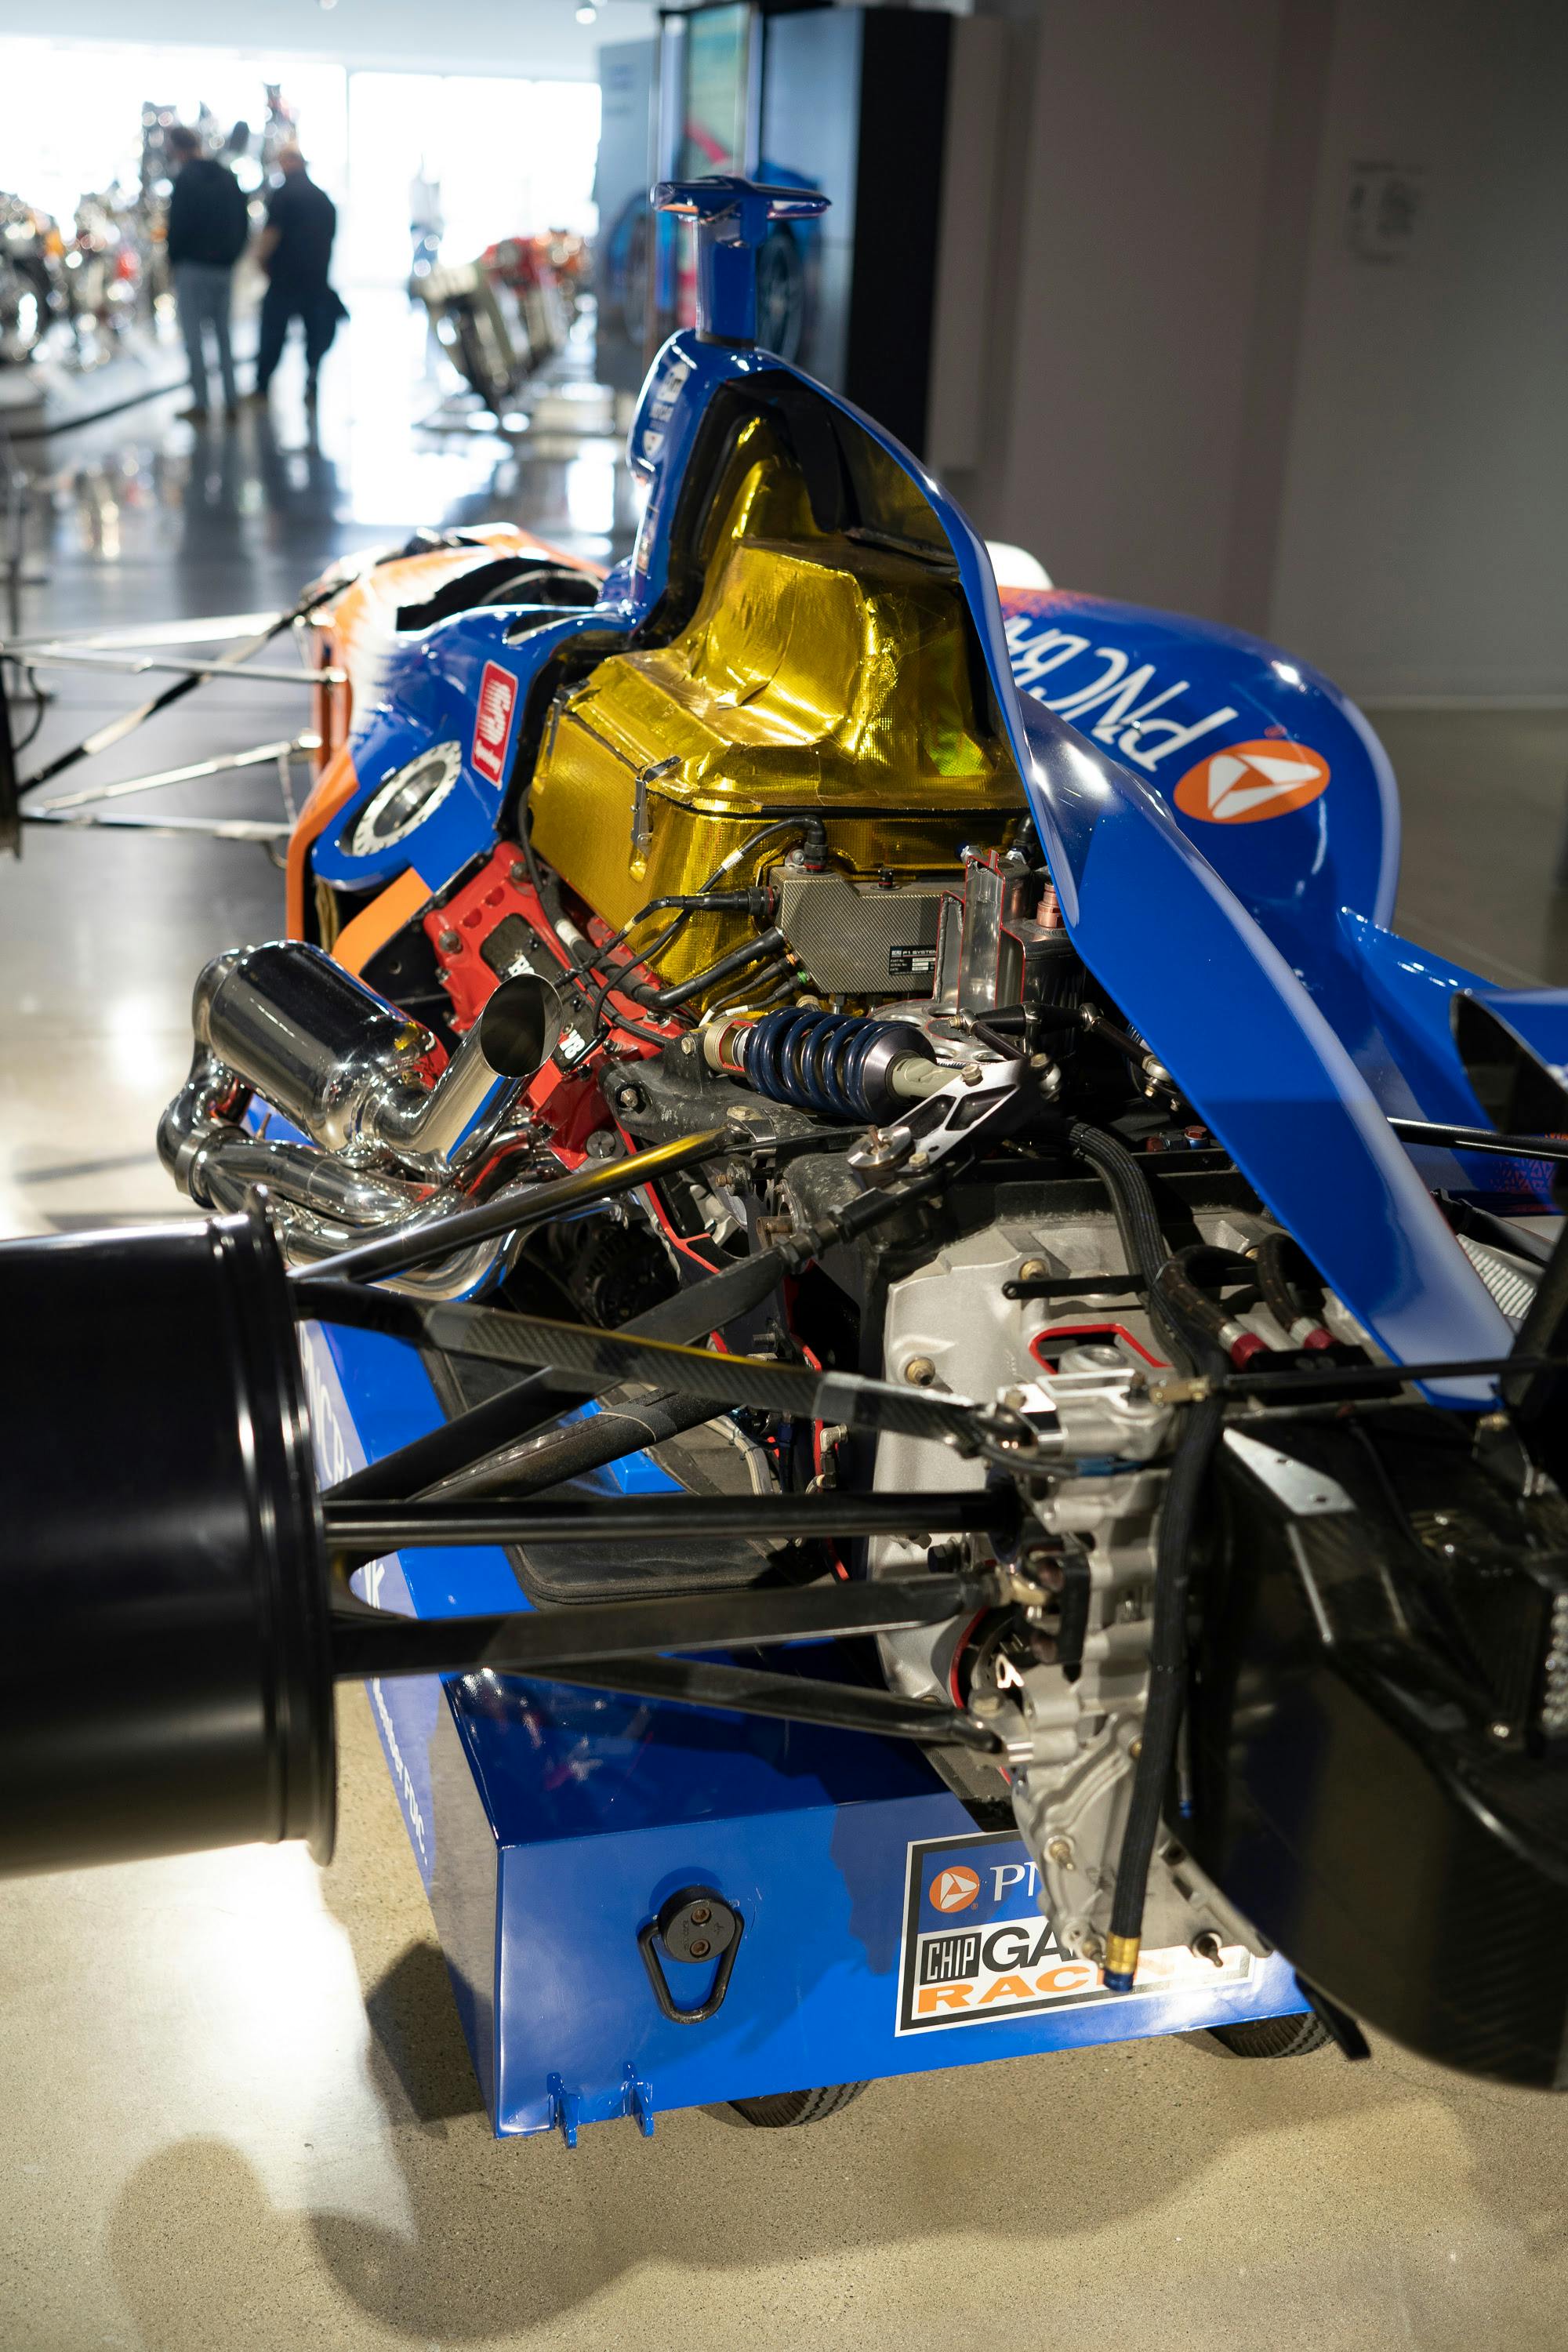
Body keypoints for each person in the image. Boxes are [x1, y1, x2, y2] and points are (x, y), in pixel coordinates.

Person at [164, 124, 249, 419]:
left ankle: (201, 403)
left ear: (177, 149)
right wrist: (232, 256)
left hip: (193, 267)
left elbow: (179, 226)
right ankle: (231, 401)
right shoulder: (227, 177)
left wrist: (175, 259)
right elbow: (243, 221)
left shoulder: (185, 180)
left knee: (194, 337)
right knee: (224, 335)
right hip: (223, 267)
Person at [252, 145, 346, 405]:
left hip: (285, 277)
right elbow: (330, 238)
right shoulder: (323, 198)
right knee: (315, 334)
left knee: (273, 333)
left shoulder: (283, 195)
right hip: (315, 278)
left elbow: (272, 234)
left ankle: (262, 386)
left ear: (291, 162)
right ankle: (312, 381)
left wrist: (260, 261)